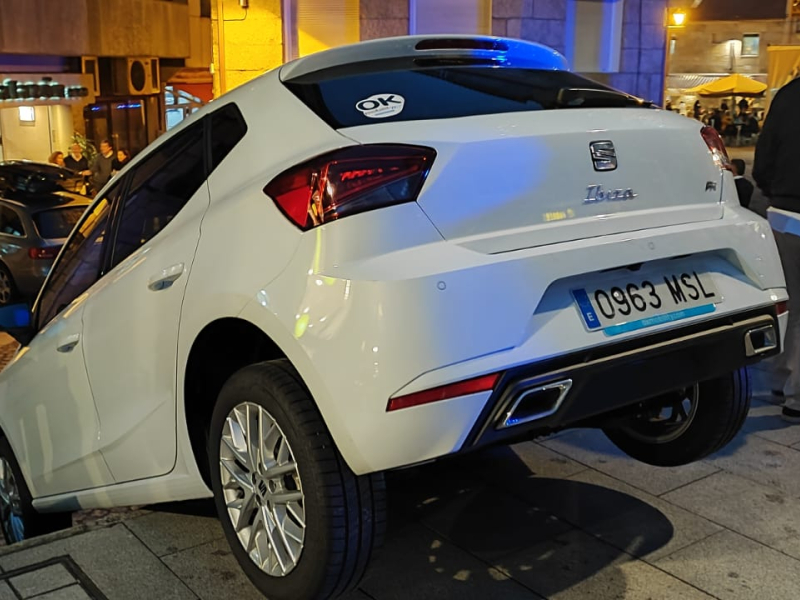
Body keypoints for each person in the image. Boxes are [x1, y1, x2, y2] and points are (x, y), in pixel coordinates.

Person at [753, 75, 800, 423]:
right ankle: (796, 397)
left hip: (784, 211)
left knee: (790, 301)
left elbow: (763, 157)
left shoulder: (787, 94)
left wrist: (775, 193)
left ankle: (782, 378)